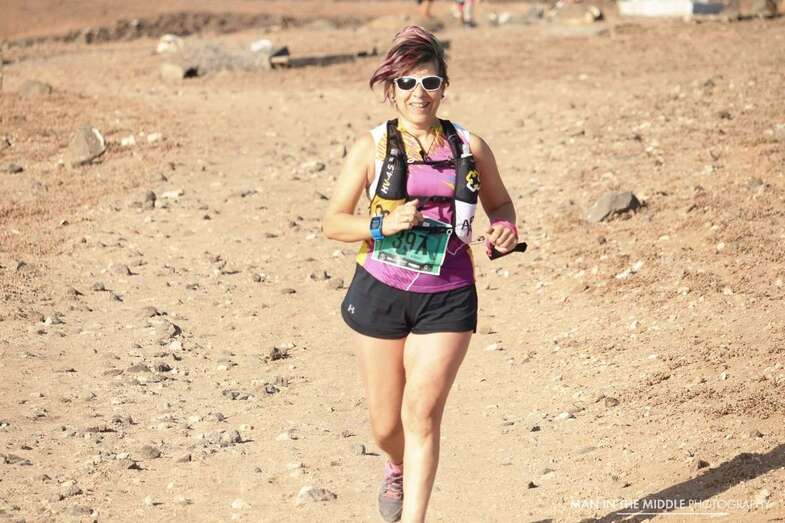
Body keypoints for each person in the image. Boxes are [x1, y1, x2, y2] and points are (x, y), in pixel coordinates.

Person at [322, 26, 519, 523]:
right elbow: (332, 222)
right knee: (387, 427)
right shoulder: (370, 146)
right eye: (407, 83)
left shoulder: (470, 146)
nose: (419, 93)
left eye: (429, 82)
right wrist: (382, 224)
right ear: (392, 90)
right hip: (380, 290)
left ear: (444, 87)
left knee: (422, 413)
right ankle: (395, 465)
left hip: (448, 294)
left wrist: (505, 230)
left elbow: (500, 204)